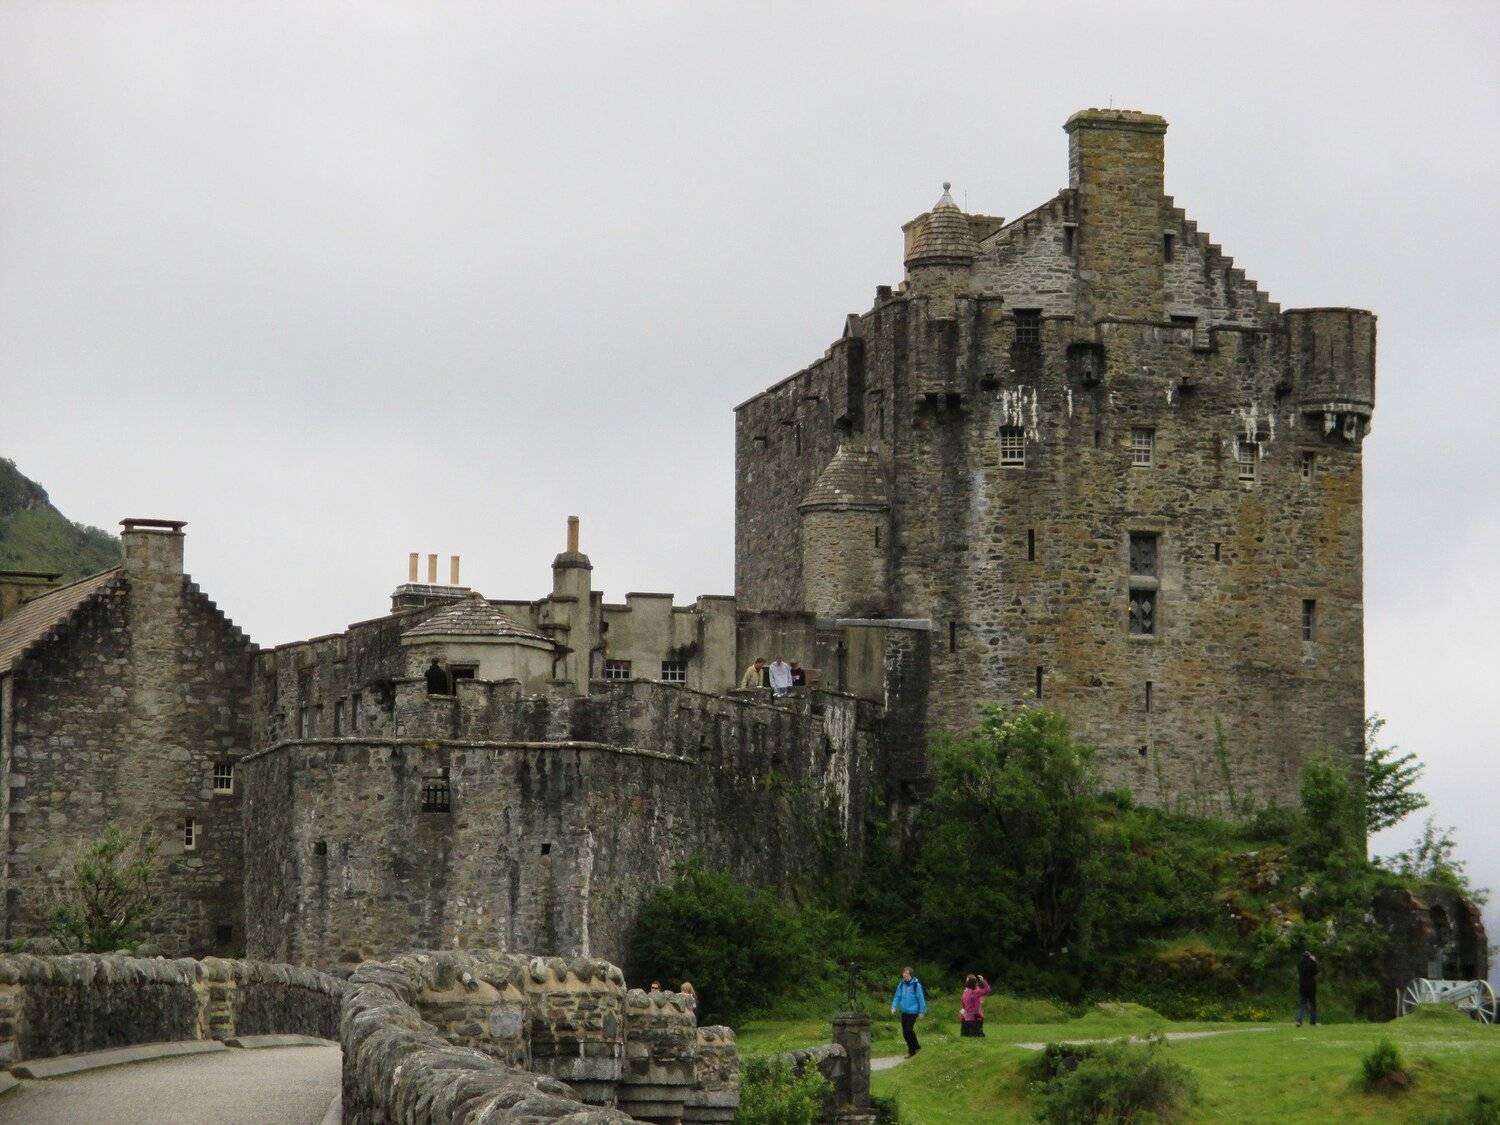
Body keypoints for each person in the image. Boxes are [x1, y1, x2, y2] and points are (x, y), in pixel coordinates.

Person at [890, 966, 927, 1057]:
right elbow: (897, 996)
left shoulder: (916, 985)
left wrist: (922, 1011)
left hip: (913, 1011)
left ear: (910, 974)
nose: (904, 974)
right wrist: (894, 1006)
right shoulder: (901, 985)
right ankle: (914, 1049)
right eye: (904, 973)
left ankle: (914, 1048)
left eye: (906, 973)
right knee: (905, 1033)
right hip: (904, 1011)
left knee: (908, 1030)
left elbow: (920, 998)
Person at [1296, 951, 1319, 1026]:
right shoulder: (1312, 963)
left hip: (1302, 987)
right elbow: (1316, 971)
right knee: (1313, 1005)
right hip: (1311, 987)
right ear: (1309, 956)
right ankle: (1313, 1021)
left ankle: (1299, 1021)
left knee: (1302, 1005)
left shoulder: (1300, 964)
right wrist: (1314, 961)